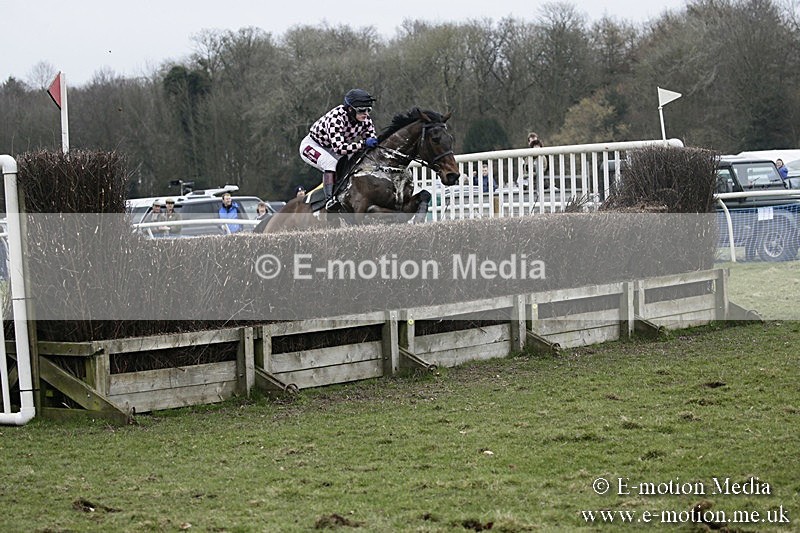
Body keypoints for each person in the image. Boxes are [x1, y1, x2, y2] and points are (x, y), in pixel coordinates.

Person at [298, 88, 379, 210]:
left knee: (354, 163)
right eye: (362, 110)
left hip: (332, 147)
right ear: (350, 109)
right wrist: (363, 144)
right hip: (313, 145)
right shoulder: (336, 118)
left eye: (368, 110)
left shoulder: (365, 120)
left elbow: (371, 142)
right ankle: (329, 200)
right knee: (331, 163)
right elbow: (340, 148)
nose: (366, 114)